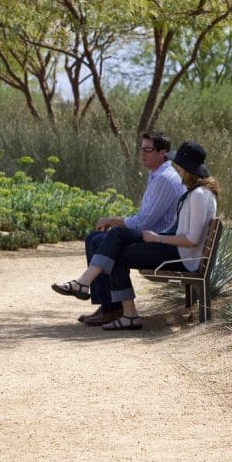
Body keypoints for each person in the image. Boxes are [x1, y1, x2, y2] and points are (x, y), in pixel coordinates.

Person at [52, 141, 219, 330]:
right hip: (177, 250)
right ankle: (86, 285)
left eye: (180, 166)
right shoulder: (201, 193)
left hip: (181, 256)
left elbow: (192, 240)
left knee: (114, 253)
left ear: (188, 169)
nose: (178, 170)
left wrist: (157, 238)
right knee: (116, 234)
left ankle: (119, 308)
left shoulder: (198, 195)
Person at [78, 131, 185, 326]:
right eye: (141, 149)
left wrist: (113, 220)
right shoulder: (156, 175)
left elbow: (144, 223)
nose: (142, 154)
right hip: (151, 237)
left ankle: (113, 307)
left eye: (148, 150)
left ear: (163, 153)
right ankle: (108, 305)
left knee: (103, 241)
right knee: (93, 238)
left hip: (160, 242)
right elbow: (144, 218)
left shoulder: (164, 179)